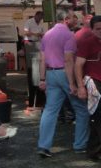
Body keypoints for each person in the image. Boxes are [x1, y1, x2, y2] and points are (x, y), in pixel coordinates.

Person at [37, 10, 89, 157]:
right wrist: (73, 83)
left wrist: (42, 79)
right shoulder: (68, 35)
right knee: (81, 109)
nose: (76, 20)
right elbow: (68, 60)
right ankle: (80, 145)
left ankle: (43, 146)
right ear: (66, 19)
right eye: (73, 17)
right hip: (64, 73)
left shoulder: (47, 34)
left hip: (50, 73)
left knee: (50, 111)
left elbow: (42, 59)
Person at [75, 15, 101, 159]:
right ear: (91, 29)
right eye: (98, 29)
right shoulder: (87, 42)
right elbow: (78, 65)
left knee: (98, 119)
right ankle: (94, 151)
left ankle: (94, 151)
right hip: (93, 82)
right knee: (98, 116)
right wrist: (80, 87)